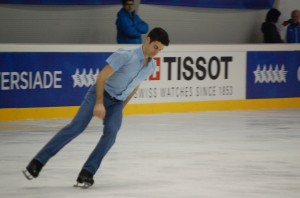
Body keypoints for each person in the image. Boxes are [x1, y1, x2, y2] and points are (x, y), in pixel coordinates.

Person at [23, 27, 170, 188]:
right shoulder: (125, 55)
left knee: (111, 134)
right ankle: (37, 162)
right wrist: (99, 102)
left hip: (117, 103)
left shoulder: (151, 67)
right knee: (75, 127)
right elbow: (101, 77)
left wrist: (121, 107)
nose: (157, 52)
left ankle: (87, 172)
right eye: (156, 47)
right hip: (99, 94)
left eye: (160, 50)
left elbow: (135, 85)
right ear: (147, 40)